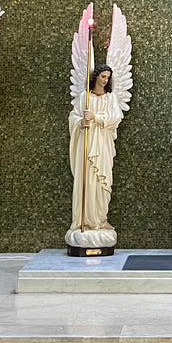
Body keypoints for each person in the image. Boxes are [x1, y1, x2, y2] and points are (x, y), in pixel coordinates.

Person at [69, 63, 122, 235]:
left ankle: (100, 219)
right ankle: (83, 220)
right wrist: (80, 123)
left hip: (103, 144)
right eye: (103, 76)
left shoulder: (110, 98)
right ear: (96, 77)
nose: (105, 80)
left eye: (108, 77)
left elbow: (115, 118)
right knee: (87, 180)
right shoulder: (85, 97)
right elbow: (74, 116)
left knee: (103, 181)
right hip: (86, 143)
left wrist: (95, 117)